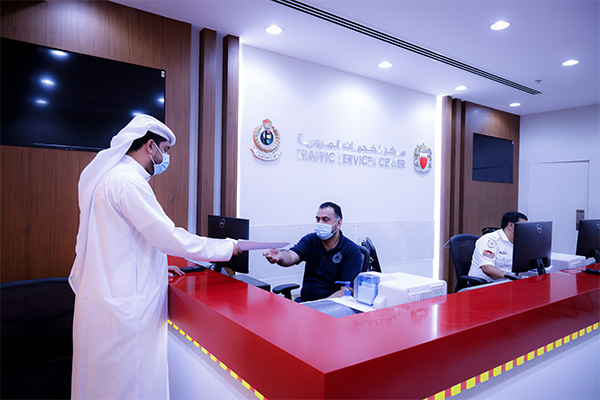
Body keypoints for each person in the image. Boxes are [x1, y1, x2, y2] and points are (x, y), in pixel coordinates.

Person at [69, 114, 242, 399]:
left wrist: (159, 267)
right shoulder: (128, 182)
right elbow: (167, 236)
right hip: (125, 308)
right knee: (130, 387)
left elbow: (124, 241)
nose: (165, 158)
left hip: (103, 298)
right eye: (165, 149)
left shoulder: (109, 178)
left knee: (100, 383)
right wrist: (226, 248)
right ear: (150, 146)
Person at [263, 202, 362, 301]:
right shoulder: (311, 240)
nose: (320, 223)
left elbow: (346, 290)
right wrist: (280, 255)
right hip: (305, 302)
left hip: (331, 305)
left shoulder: (351, 250)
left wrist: (320, 305)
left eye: (325, 219)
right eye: (318, 219)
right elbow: (292, 256)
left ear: (338, 223)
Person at [468, 211, 528, 282]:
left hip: (507, 281)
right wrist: (512, 278)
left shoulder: (518, 242)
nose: (525, 229)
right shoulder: (489, 240)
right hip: (485, 284)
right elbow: (487, 268)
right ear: (511, 225)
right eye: (522, 226)